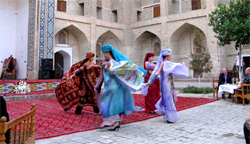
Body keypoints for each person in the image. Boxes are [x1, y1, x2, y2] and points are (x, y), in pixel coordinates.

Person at [98, 44, 146, 131]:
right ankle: (111, 122)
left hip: (112, 86)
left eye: (104, 53)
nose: (104, 55)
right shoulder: (112, 62)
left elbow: (113, 72)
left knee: (109, 104)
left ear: (108, 52)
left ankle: (113, 123)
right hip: (112, 86)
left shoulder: (112, 63)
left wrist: (107, 67)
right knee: (111, 104)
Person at [142, 49, 189, 123]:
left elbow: (157, 72)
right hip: (166, 84)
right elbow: (157, 72)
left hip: (167, 83)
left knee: (168, 99)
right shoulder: (165, 63)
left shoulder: (165, 63)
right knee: (168, 99)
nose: (170, 57)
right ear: (167, 56)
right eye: (170, 56)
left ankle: (168, 116)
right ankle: (170, 117)